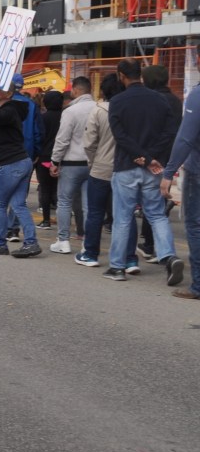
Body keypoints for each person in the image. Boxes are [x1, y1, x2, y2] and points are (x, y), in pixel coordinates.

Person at [104, 57, 183, 283]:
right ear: (140, 73)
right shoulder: (160, 100)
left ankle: (117, 267)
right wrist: (151, 158)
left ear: (121, 76)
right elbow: (170, 132)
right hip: (154, 167)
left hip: (126, 165)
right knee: (156, 214)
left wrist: (141, 157)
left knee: (123, 217)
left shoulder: (117, 101)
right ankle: (169, 257)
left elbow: (120, 135)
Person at [0, 81, 43, 258]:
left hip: (10, 163)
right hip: (20, 161)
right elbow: (0, 136)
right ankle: (31, 242)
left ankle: (0, 243)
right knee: (18, 204)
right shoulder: (12, 110)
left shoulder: (8, 110)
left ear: (7, 94)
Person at [78, 73, 133, 269]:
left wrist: (93, 162)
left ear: (103, 91)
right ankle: (130, 258)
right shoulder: (130, 110)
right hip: (126, 167)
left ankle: (91, 254)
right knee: (125, 214)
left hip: (100, 168)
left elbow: (89, 143)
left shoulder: (98, 110)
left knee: (95, 213)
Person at [160, 77, 200, 299]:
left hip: (198, 171)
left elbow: (186, 138)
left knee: (195, 226)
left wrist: (168, 173)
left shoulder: (197, 95)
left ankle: (198, 286)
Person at [139, 64, 183, 261]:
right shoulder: (175, 100)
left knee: (149, 202)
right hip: (169, 156)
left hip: (150, 157)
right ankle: (154, 245)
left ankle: (149, 245)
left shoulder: (152, 99)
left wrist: (148, 155)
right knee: (157, 201)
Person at [48, 77, 94, 253]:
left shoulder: (70, 111)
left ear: (75, 90)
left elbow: (62, 139)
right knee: (89, 205)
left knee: (65, 202)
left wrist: (55, 161)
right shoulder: (99, 108)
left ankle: (63, 241)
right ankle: (87, 243)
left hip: (71, 162)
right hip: (92, 163)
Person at [35, 90, 63, 231]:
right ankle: (62, 220)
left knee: (45, 189)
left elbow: (39, 137)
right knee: (60, 191)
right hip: (62, 158)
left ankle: (46, 220)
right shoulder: (65, 116)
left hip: (45, 157)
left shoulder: (43, 118)